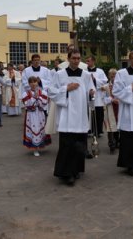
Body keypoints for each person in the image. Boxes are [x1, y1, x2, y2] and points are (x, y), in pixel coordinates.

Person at [48, 49, 95, 186]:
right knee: (67, 145)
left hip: (80, 115)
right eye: (73, 58)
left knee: (79, 145)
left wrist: (92, 93)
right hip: (66, 115)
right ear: (68, 59)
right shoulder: (59, 74)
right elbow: (51, 91)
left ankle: (77, 170)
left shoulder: (86, 75)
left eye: (78, 58)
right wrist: (66, 89)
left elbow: (91, 91)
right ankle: (66, 173)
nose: (76, 60)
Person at [22, 76, 51, 156]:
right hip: (31, 115)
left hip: (40, 114)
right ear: (29, 84)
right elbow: (27, 104)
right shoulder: (25, 93)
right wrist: (34, 98)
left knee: (40, 129)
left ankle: (39, 146)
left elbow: (45, 103)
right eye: (31, 82)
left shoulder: (43, 92)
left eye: (34, 82)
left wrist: (38, 98)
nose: (33, 84)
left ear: (37, 82)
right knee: (33, 129)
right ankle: (35, 148)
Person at [86, 55, 108, 138]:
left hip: (98, 95)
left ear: (93, 61)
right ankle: (89, 130)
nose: (87, 62)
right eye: (86, 61)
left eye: (88, 61)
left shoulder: (100, 71)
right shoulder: (84, 71)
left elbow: (104, 81)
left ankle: (98, 131)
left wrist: (94, 79)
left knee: (98, 114)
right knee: (89, 113)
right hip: (88, 95)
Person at [103, 68, 120, 154]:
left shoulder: (120, 86)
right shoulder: (106, 87)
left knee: (118, 126)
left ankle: (117, 142)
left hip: (119, 108)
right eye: (112, 75)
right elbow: (103, 98)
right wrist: (112, 100)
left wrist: (119, 100)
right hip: (110, 108)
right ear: (109, 76)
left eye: (115, 75)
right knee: (110, 127)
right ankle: (111, 144)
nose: (113, 76)